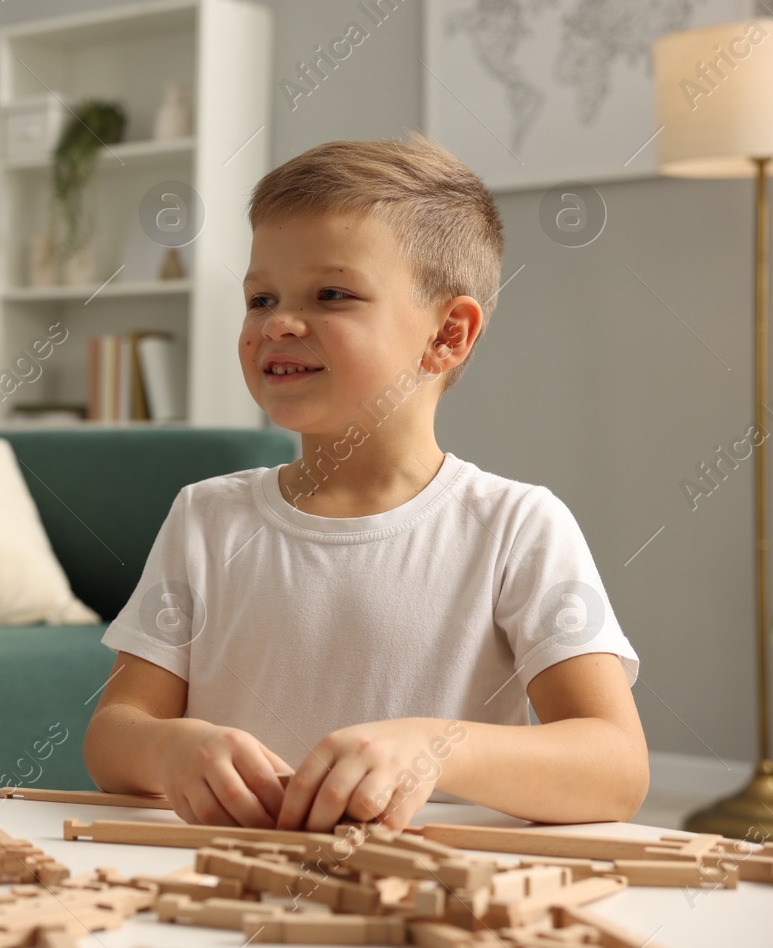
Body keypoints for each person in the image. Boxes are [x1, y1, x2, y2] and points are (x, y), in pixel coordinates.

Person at [83, 133, 645, 833]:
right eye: (260, 297)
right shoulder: (206, 516)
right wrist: (168, 748)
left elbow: (617, 767)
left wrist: (436, 749)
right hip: (227, 890)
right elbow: (112, 735)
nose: (278, 322)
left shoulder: (518, 526)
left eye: (332, 294)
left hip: (416, 898)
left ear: (447, 336)